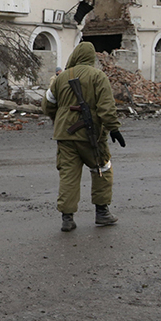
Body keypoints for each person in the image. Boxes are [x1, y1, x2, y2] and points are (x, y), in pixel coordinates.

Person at [43, 42, 125, 232]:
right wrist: (114, 128)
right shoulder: (98, 76)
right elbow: (106, 107)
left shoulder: (60, 78)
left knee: (68, 175)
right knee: (102, 169)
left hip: (65, 135)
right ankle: (102, 212)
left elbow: (47, 105)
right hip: (91, 136)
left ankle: (67, 218)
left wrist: (61, 117)